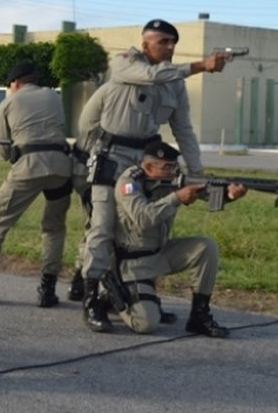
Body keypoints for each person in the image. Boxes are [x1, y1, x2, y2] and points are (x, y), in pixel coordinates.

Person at [79, 19, 229, 333]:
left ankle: (138, 291)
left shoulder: (175, 83)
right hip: (112, 157)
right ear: (145, 43)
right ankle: (92, 298)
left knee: (149, 227)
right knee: (103, 226)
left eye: (173, 42)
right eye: (163, 41)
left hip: (147, 164)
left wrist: (198, 175)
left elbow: (183, 129)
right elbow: (148, 76)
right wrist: (201, 65)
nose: (170, 48)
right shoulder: (124, 64)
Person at [0, 60, 73, 307]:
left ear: (15, 83)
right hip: (62, 167)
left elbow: (3, 151)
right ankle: (47, 290)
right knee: (54, 228)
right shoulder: (54, 97)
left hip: (28, 168)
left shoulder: (8, 103)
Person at [111, 141, 246, 337]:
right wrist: (175, 198)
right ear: (149, 167)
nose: (174, 172)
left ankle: (199, 316)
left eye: (175, 166)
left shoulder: (172, 179)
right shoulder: (129, 183)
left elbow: (206, 192)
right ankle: (110, 294)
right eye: (167, 167)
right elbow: (143, 218)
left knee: (206, 247)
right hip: (134, 264)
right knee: (146, 324)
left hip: (160, 253)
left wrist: (229, 194)